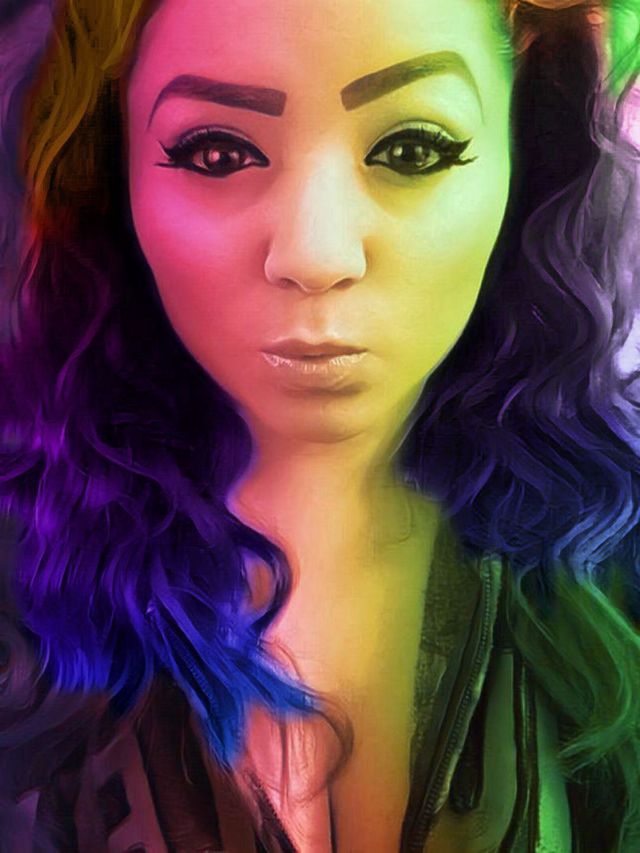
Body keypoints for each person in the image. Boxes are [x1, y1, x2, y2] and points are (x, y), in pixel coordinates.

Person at [0, 0, 639, 849]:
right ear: (111, 175)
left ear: (527, 152)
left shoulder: (618, 553)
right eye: (217, 152)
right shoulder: (17, 574)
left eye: (411, 149)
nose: (315, 253)